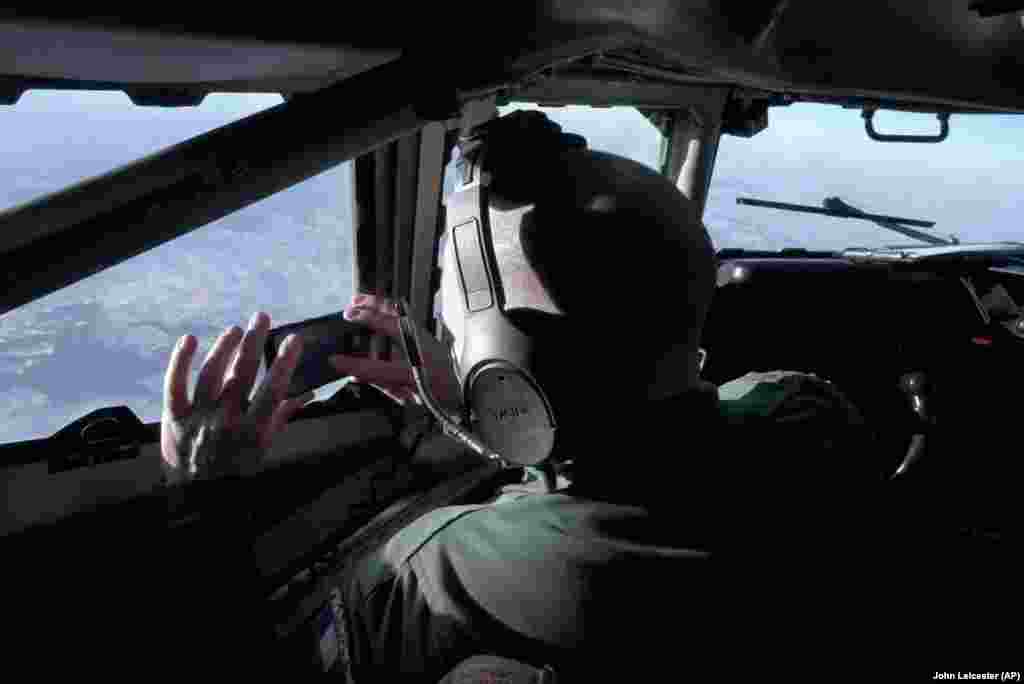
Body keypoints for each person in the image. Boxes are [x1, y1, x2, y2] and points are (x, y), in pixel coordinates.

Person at [161, 120, 875, 680]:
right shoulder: (803, 414)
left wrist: (205, 504)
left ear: (504, 365)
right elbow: (651, 435)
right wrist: (482, 413)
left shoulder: (432, 579)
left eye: (450, 316)